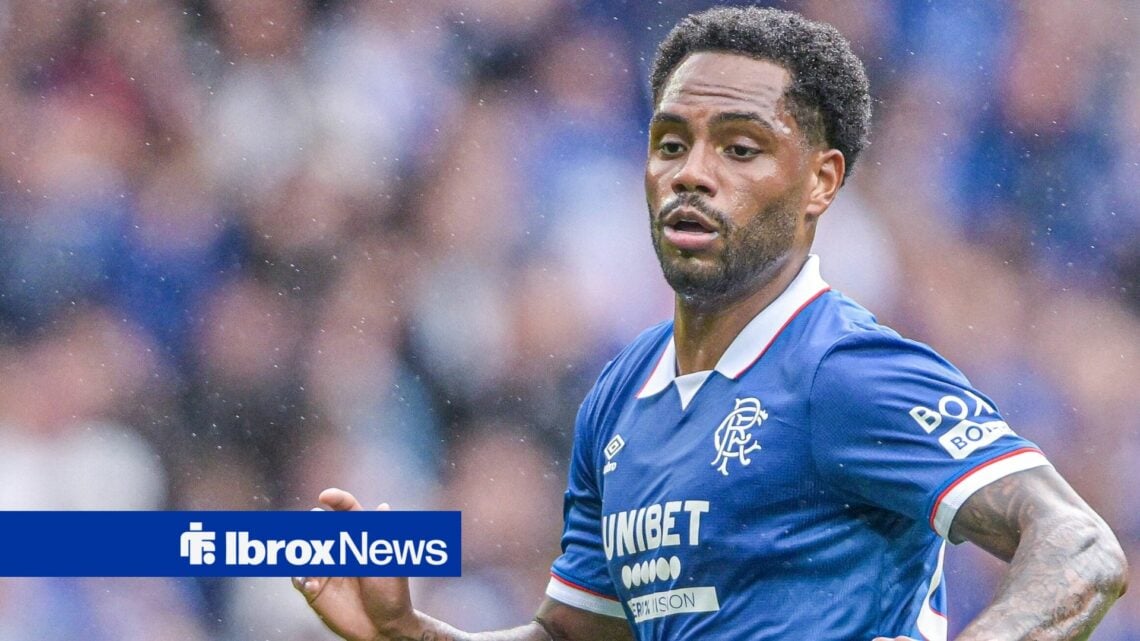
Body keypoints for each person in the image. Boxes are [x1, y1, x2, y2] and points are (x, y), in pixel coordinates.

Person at [294, 7, 1127, 640]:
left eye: (739, 147)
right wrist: (410, 630)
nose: (692, 173)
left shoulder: (844, 368)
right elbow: (573, 635)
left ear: (820, 182)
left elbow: (1080, 548)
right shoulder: (619, 397)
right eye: (670, 142)